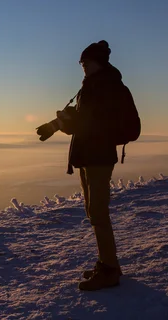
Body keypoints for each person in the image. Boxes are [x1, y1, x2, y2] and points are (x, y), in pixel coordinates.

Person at [36, 40, 125, 291]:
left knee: (98, 214)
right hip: (88, 157)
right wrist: (55, 126)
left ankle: (109, 270)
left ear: (99, 62)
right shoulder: (92, 87)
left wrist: (64, 124)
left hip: (98, 158)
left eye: (86, 63)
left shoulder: (107, 88)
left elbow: (90, 123)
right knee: (93, 212)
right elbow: (81, 119)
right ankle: (109, 264)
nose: (83, 67)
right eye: (82, 64)